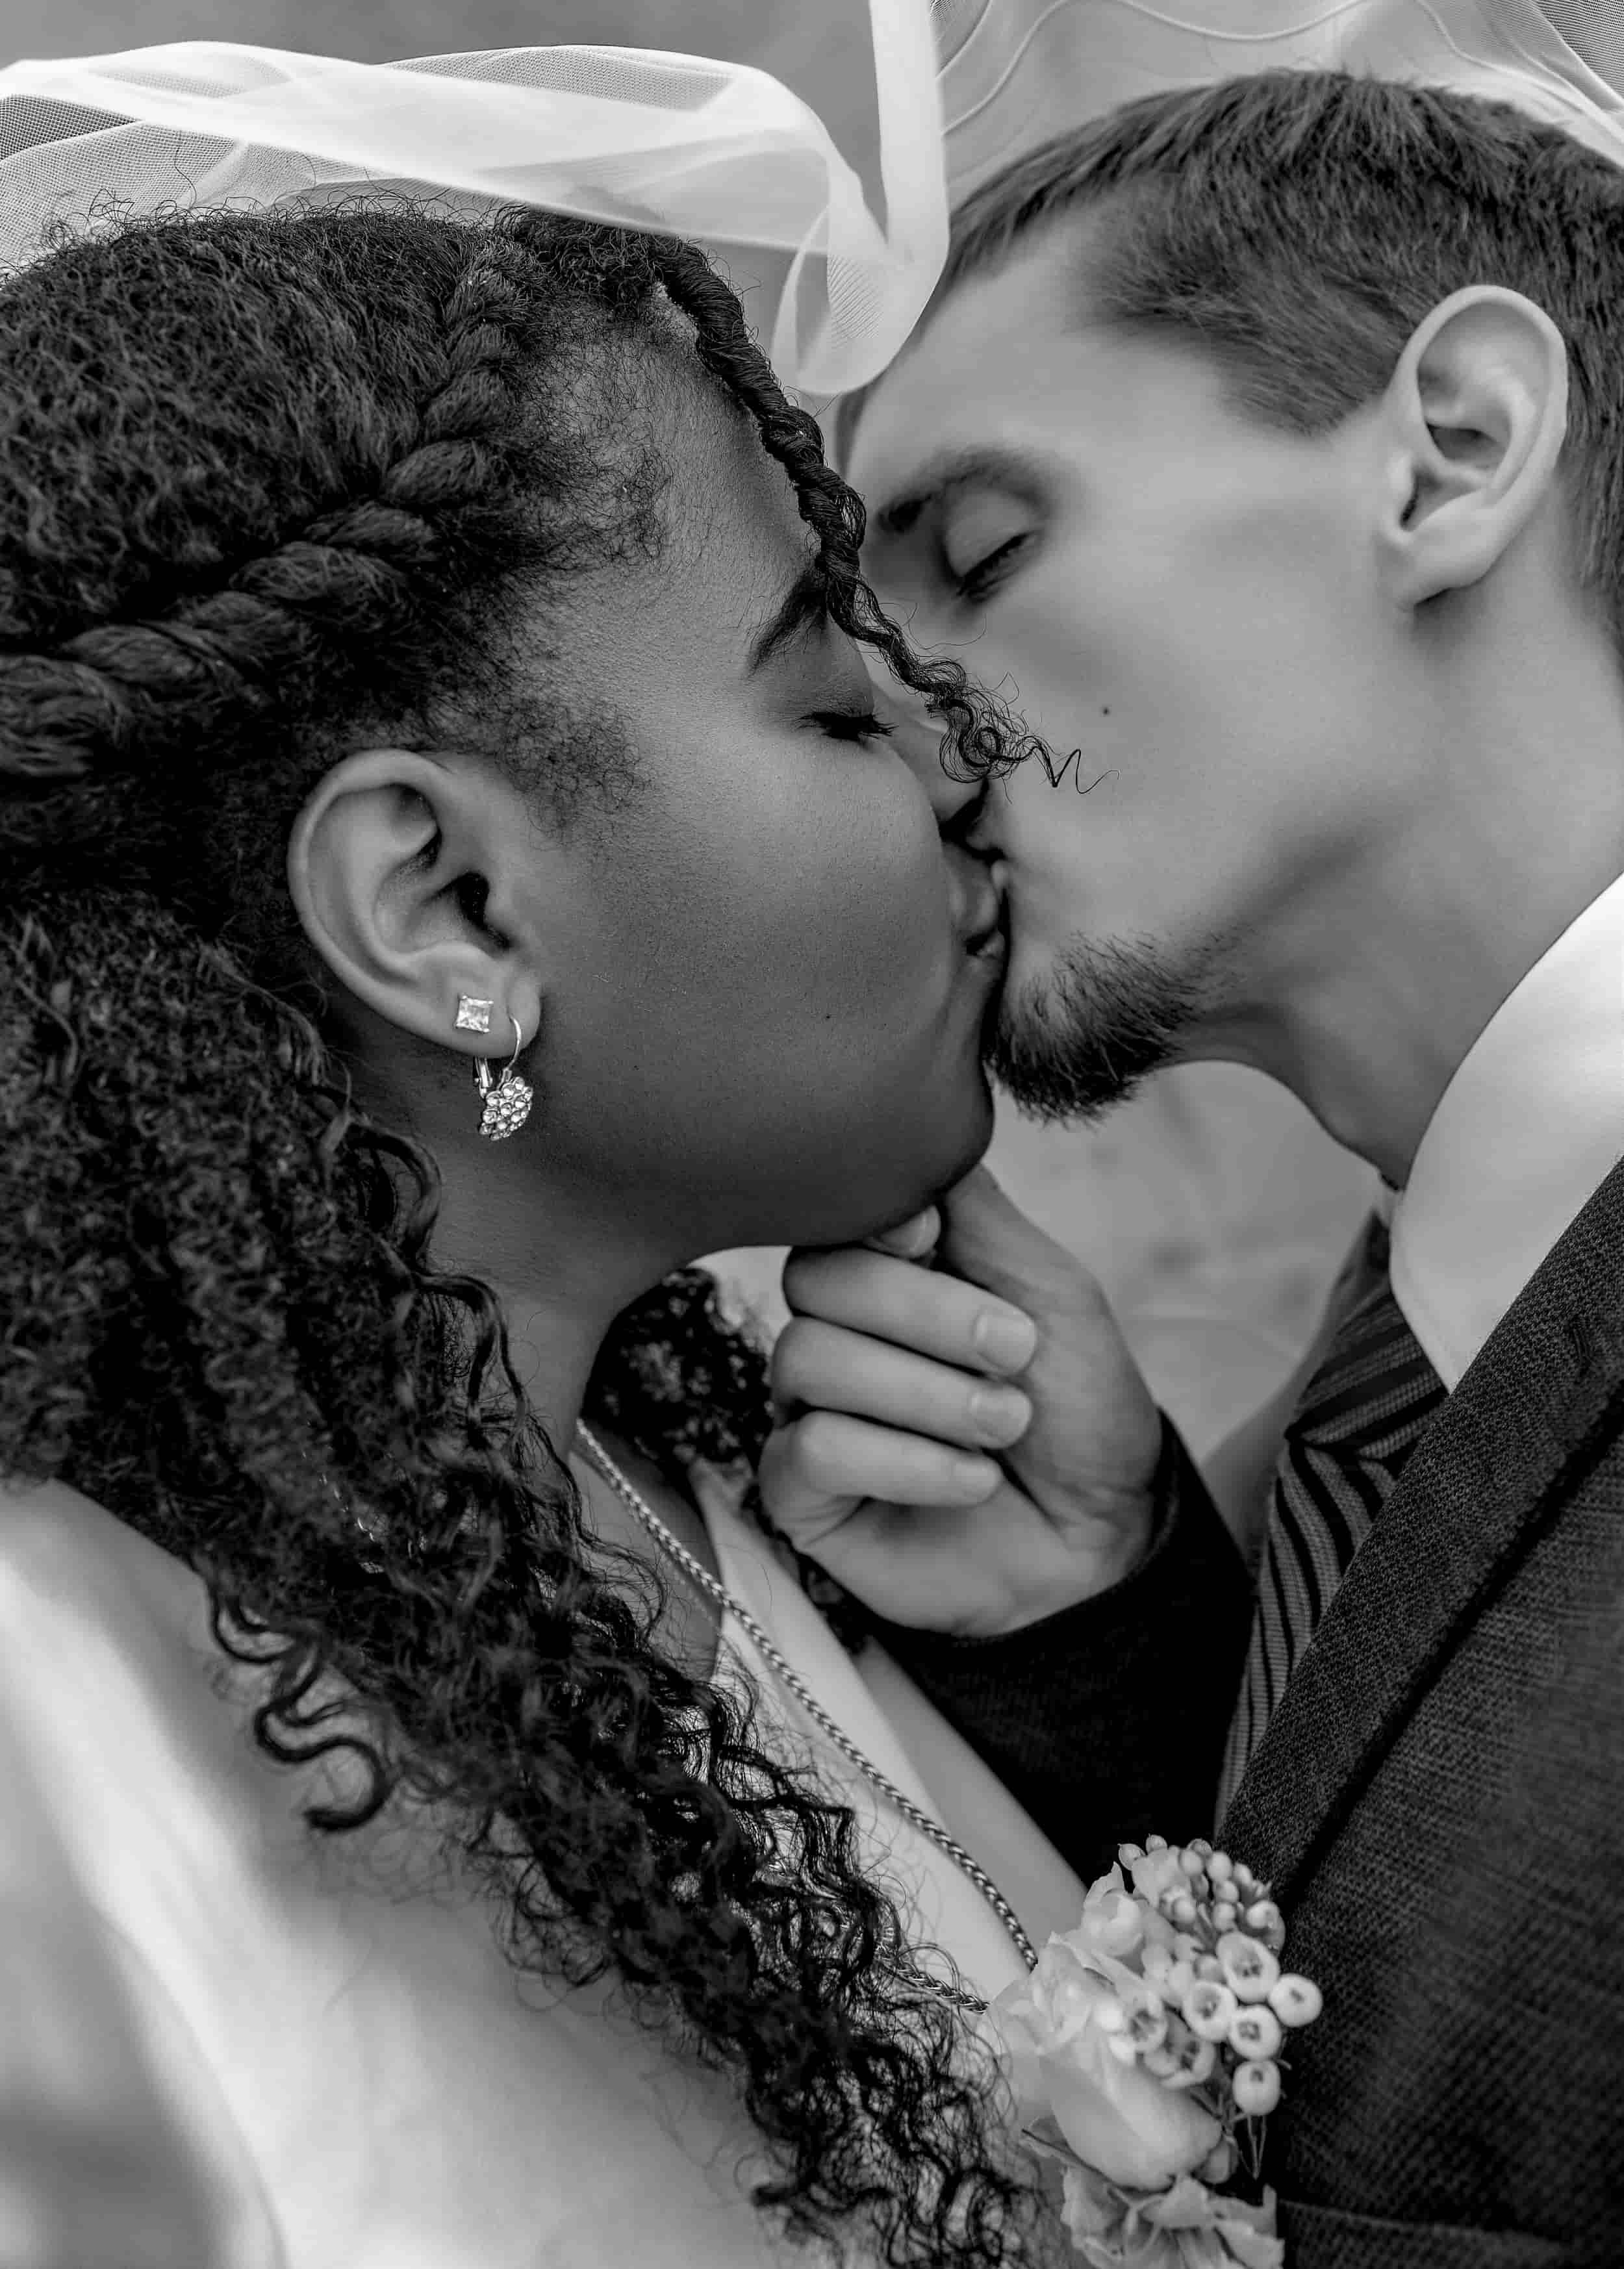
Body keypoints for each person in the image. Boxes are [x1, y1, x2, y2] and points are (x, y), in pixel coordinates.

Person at [0, 197, 1115, 2268]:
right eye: (832, 704)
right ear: (449, 917)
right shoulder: (48, 1726)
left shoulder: (703, 1479)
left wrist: (1092, 1626)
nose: (965, 759)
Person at [760, 66, 1624, 2263]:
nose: (905, 740)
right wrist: (1104, 1612)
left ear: (1449, 451)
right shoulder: (1377, 1376)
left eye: (975, 555)